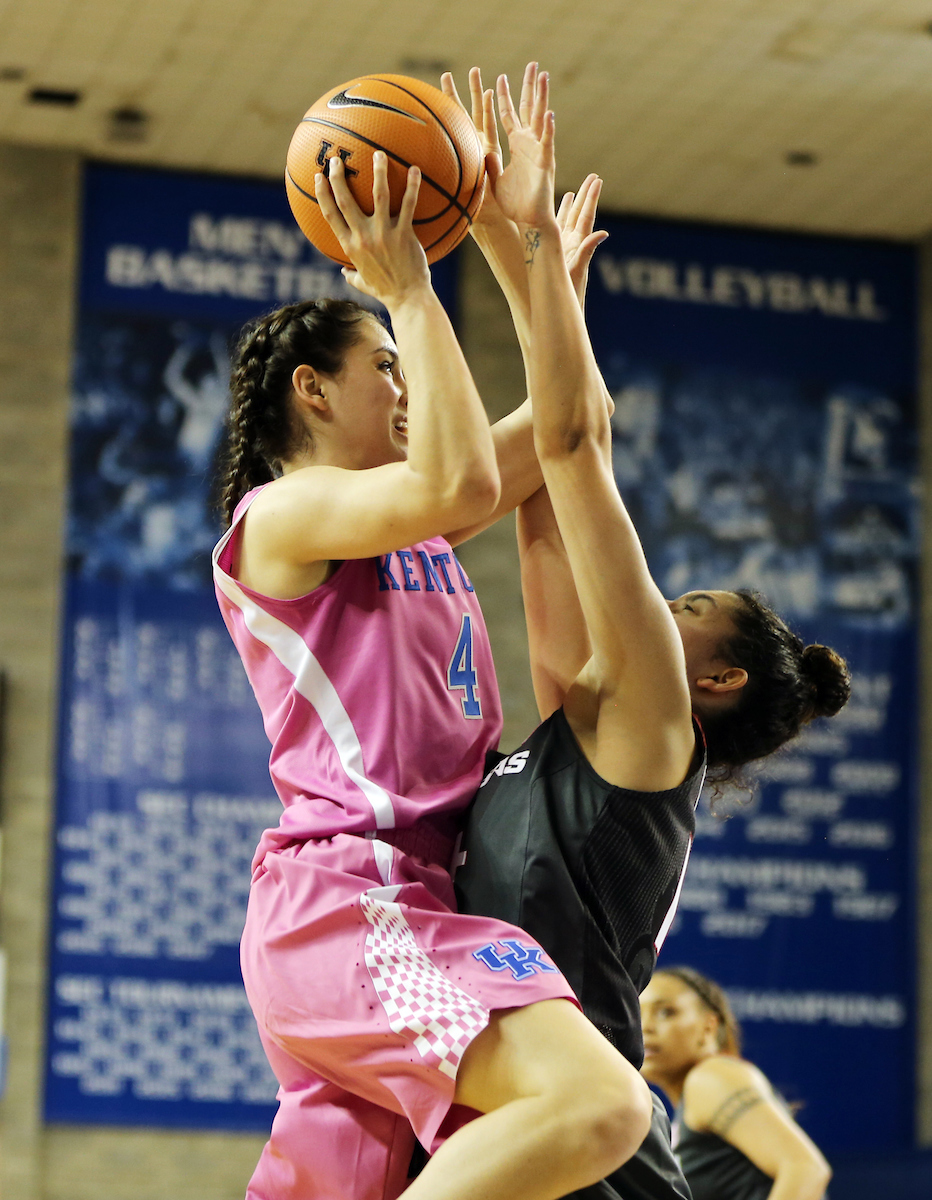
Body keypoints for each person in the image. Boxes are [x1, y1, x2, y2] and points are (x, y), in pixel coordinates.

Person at [212, 70, 655, 1200]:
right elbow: (455, 476)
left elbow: (573, 432)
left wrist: (526, 260)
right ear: (311, 392)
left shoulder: (414, 517)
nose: (408, 389)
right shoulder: (285, 515)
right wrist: (410, 285)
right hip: (354, 904)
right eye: (387, 372)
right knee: (601, 1104)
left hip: (409, 905)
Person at [450, 64, 850, 1200]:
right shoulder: (586, 718)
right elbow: (546, 492)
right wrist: (537, 292)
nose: (656, 597)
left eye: (682, 610)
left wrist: (514, 245)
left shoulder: (650, 728)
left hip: (596, 1162)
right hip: (552, 1134)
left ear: (712, 676)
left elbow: (581, 447)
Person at [639, 968, 832, 1200]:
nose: (645, 1027)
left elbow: (806, 1170)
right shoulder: (686, 1111)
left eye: (665, 1012)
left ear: (708, 1027)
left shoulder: (710, 1077)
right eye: (637, 1014)